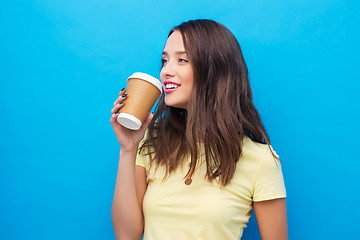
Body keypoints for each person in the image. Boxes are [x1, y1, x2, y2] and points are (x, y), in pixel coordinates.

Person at [110, 19, 287, 240]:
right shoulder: (152, 145)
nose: (166, 71)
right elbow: (126, 236)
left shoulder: (260, 160)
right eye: (165, 61)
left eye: (181, 60)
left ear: (215, 70)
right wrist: (128, 149)